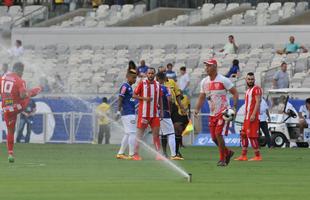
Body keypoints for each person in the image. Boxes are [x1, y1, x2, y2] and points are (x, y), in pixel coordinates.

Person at [194, 59, 238, 167]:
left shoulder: (223, 80)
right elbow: (202, 96)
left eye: (208, 66)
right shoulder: (204, 82)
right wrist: (196, 109)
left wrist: (234, 107)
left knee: (218, 134)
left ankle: (222, 159)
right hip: (212, 113)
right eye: (206, 66)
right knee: (213, 138)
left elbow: (235, 93)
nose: (206, 68)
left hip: (223, 112)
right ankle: (228, 152)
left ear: (214, 67)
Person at [0, 62, 42, 163]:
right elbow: (23, 95)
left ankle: (10, 154)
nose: (22, 74)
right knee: (28, 95)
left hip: (6, 109)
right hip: (17, 107)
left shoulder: (3, 77)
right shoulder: (20, 80)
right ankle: (39, 88)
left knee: (11, 131)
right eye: (22, 72)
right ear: (20, 70)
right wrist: (31, 92)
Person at [133, 67, 163, 161]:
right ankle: (135, 154)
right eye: (149, 73)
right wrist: (145, 98)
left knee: (156, 135)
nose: (150, 75)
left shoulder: (158, 84)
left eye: (152, 73)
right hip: (144, 114)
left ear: (154, 74)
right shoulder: (142, 83)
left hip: (154, 114)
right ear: (146, 74)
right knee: (140, 135)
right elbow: (134, 95)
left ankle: (158, 154)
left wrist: (161, 110)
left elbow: (160, 98)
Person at [235, 72, 262, 161]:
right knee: (243, 135)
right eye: (249, 79)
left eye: (252, 79)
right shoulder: (247, 90)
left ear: (254, 80)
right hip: (247, 117)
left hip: (252, 117)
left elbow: (258, 102)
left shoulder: (256, 89)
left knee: (252, 136)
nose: (250, 81)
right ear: (246, 80)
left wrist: (254, 114)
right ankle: (244, 155)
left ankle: (257, 156)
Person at [156, 72, 179, 160]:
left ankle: (161, 154)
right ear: (164, 78)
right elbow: (170, 99)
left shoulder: (154, 88)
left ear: (157, 78)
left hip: (155, 113)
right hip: (164, 113)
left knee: (161, 134)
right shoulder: (166, 88)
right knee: (171, 133)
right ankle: (173, 155)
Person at [115, 69, 137, 160]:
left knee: (128, 133)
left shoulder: (130, 87)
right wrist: (118, 111)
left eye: (135, 78)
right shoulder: (125, 86)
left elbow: (129, 100)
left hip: (130, 112)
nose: (135, 79)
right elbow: (120, 98)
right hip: (128, 113)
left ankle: (120, 153)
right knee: (132, 133)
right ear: (128, 77)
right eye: (133, 78)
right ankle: (131, 155)